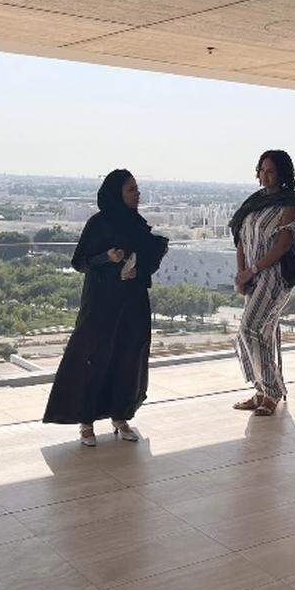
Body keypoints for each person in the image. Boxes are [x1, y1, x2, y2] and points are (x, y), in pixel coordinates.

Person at [43, 169, 168, 444]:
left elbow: (148, 259)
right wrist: (107, 258)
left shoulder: (137, 223)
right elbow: (79, 262)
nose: (137, 194)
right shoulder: (98, 224)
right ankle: (86, 421)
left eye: (137, 189)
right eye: (131, 190)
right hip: (101, 301)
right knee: (93, 356)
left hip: (132, 300)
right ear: (116, 193)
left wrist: (138, 268)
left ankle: (120, 416)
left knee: (128, 356)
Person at [229, 150, 295, 416]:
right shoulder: (253, 203)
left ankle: (271, 391)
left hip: (273, 277)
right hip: (252, 276)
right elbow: (241, 240)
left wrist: (251, 271)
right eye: (261, 169)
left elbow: (283, 245)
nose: (265, 175)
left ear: (282, 173)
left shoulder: (289, 203)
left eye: (270, 170)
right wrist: (242, 275)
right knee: (261, 333)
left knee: (250, 329)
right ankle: (262, 391)